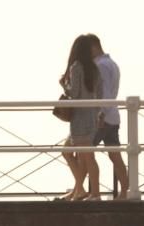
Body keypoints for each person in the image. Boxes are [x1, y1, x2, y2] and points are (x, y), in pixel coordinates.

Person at [85, 34, 128, 199]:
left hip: (102, 117)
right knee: (115, 155)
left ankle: (85, 190)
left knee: (85, 153)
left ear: (93, 47)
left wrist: (100, 113)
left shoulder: (100, 66)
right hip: (113, 116)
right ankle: (125, 191)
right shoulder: (112, 64)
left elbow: (104, 93)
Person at [59, 34, 101, 201]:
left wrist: (65, 86)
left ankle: (93, 193)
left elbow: (75, 94)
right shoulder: (94, 68)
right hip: (91, 115)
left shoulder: (76, 67)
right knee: (81, 154)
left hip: (80, 117)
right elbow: (98, 94)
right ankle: (82, 189)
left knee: (87, 157)